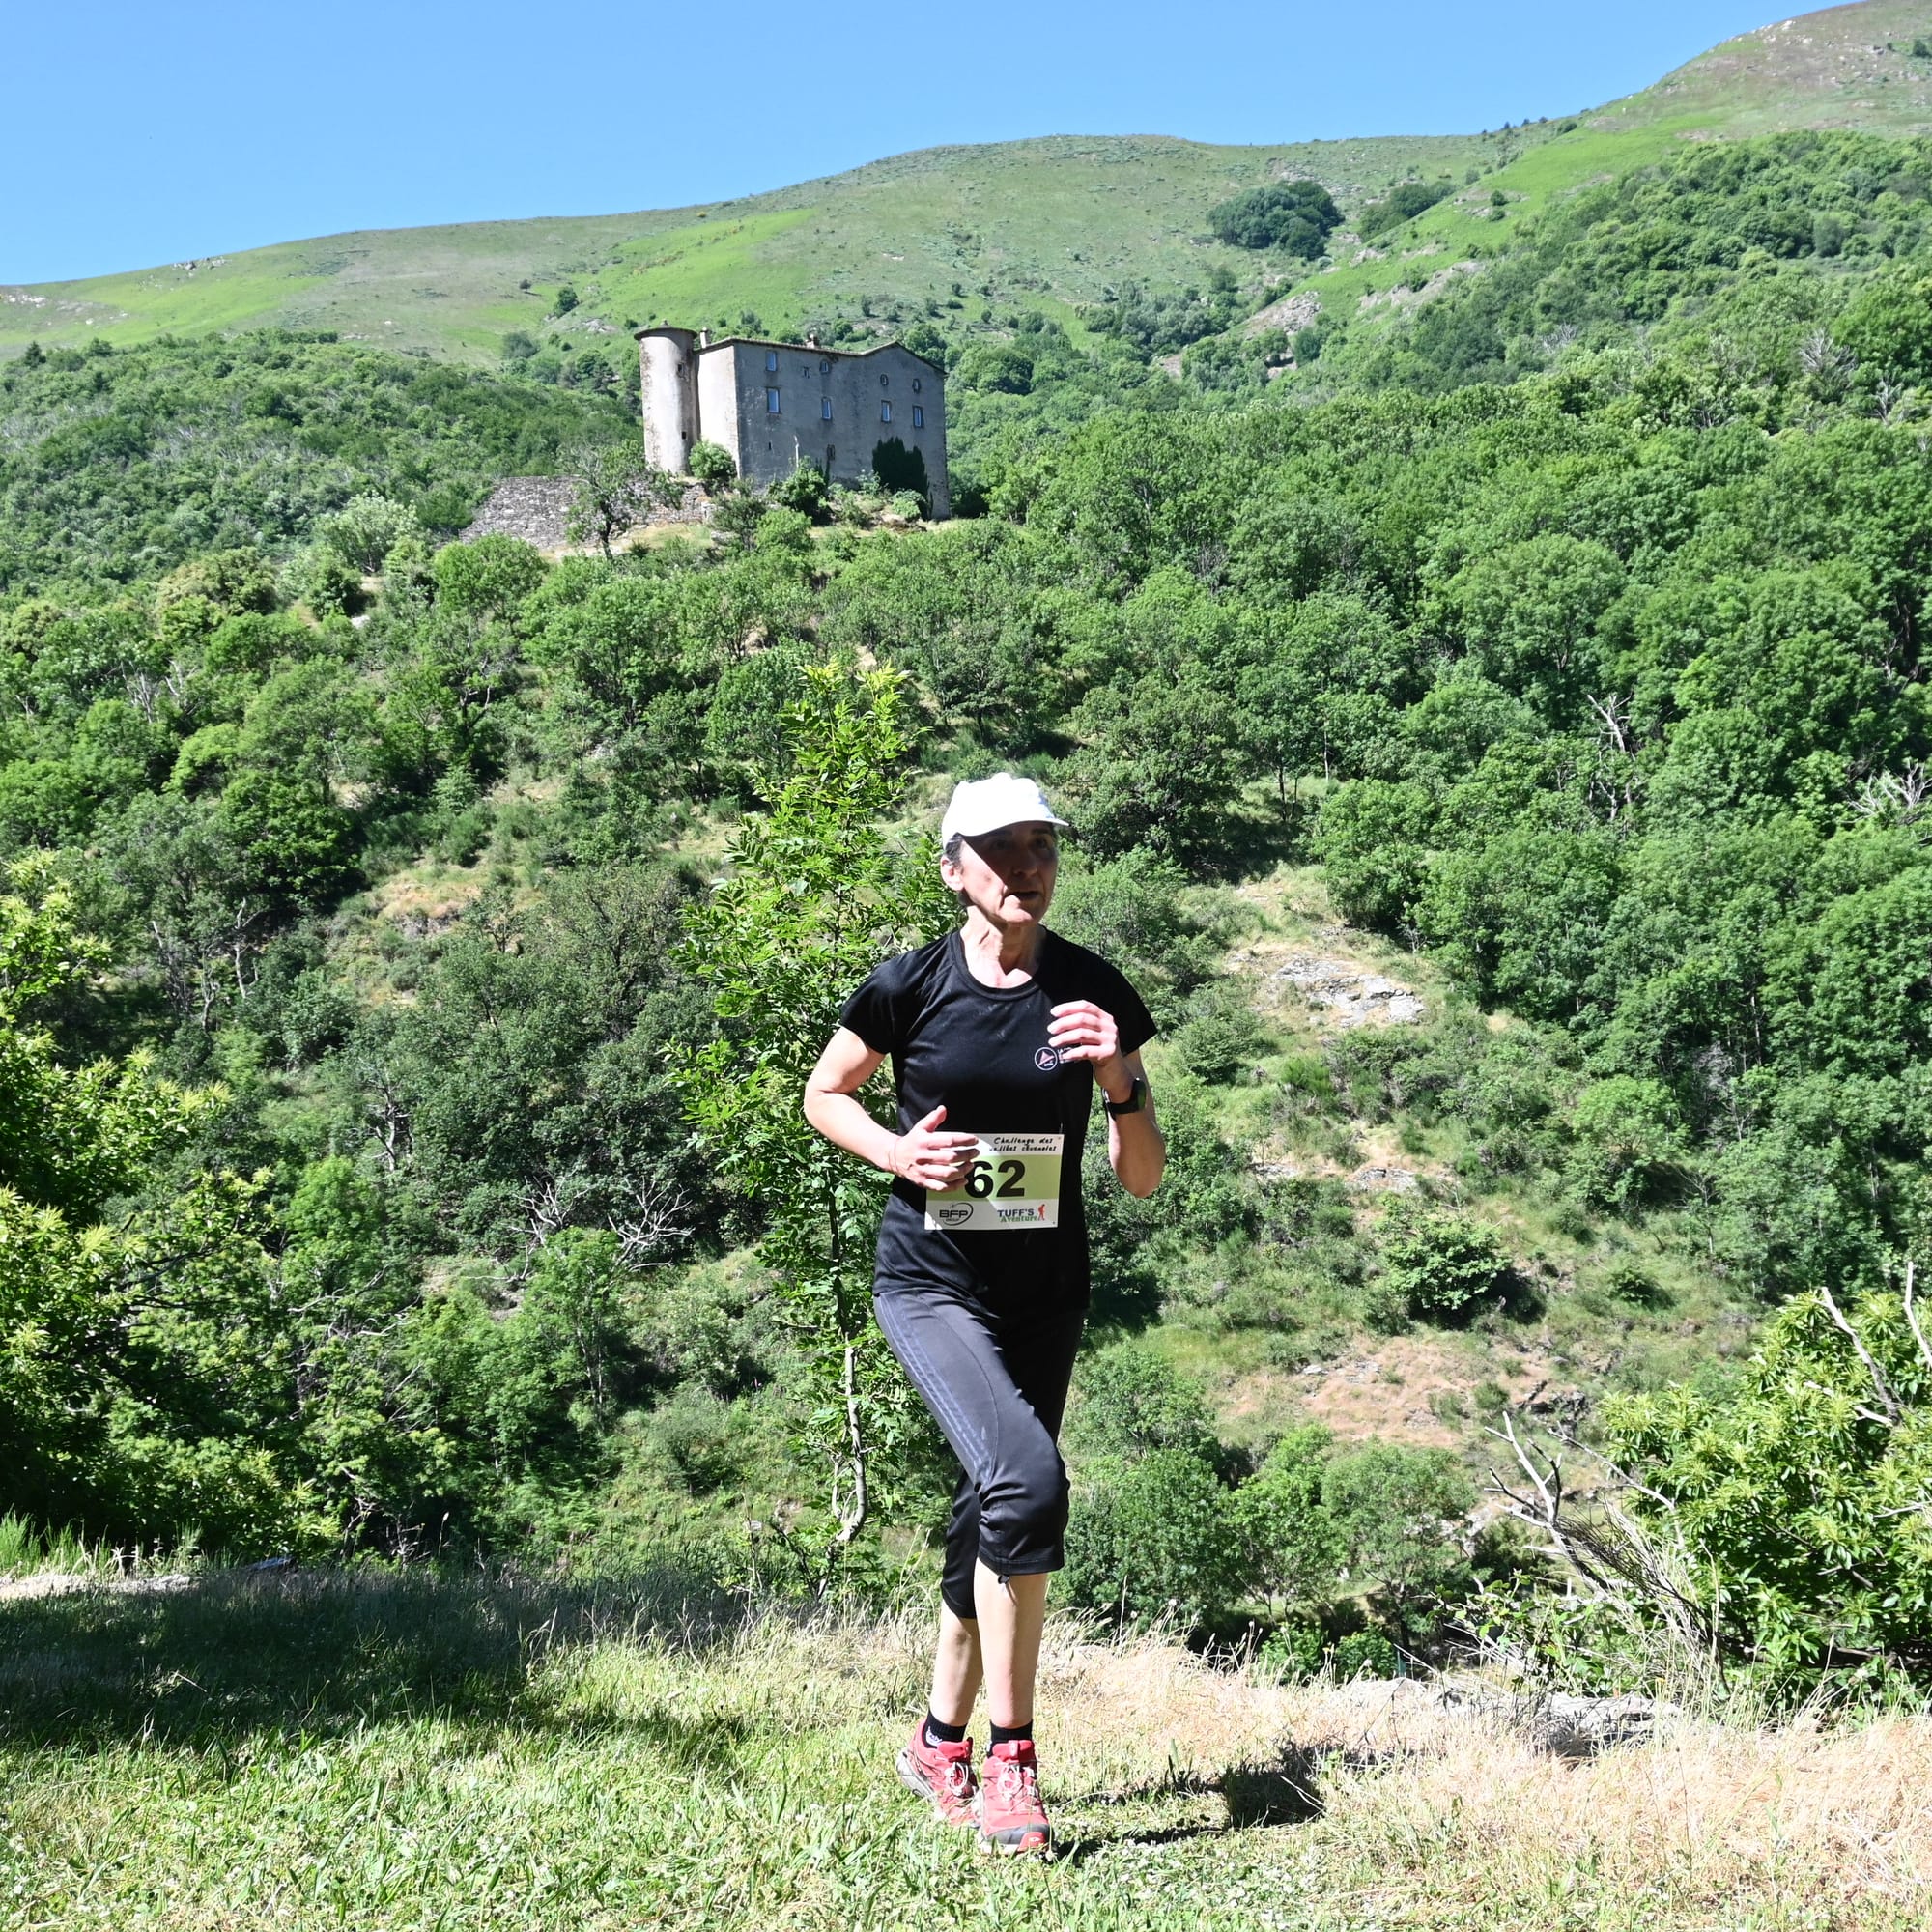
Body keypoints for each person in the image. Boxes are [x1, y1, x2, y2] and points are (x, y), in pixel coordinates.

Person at [802, 772, 1165, 1854]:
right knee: (1028, 1479)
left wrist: (1119, 1081)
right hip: (930, 1281)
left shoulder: (1092, 988)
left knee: (991, 1507)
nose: (1026, 869)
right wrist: (895, 1148)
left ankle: (935, 1741)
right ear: (953, 867)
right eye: (1000, 851)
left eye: (1041, 848)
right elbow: (825, 1092)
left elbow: (1140, 1175)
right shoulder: (906, 986)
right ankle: (1014, 1758)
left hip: (1043, 1295)